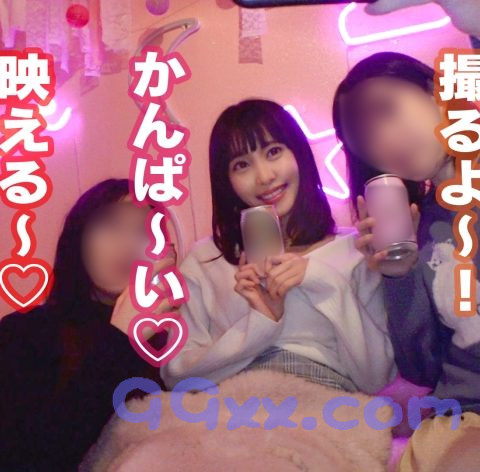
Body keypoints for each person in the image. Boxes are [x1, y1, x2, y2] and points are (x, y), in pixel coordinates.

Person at [160, 99, 396, 395]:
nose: (264, 177)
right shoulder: (204, 260)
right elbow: (176, 375)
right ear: (226, 181)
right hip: (228, 408)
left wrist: (324, 281)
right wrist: (260, 324)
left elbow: (377, 378)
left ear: (298, 154)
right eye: (241, 165)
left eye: (273, 152)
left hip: (326, 406)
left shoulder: (355, 252)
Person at [332, 51, 480, 471]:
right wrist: (400, 276)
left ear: (435, 91)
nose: (384, 140)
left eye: (387, 110)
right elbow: (423, 369)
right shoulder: (420, 228)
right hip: (466, 415)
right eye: (365, 141)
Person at [0, 178, 174, 471]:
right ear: (77, 239)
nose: (128, 244)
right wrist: (120, 339)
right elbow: (26, 457)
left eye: (145, 231)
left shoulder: (172, 338)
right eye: (111, 225)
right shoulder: (26, 333)